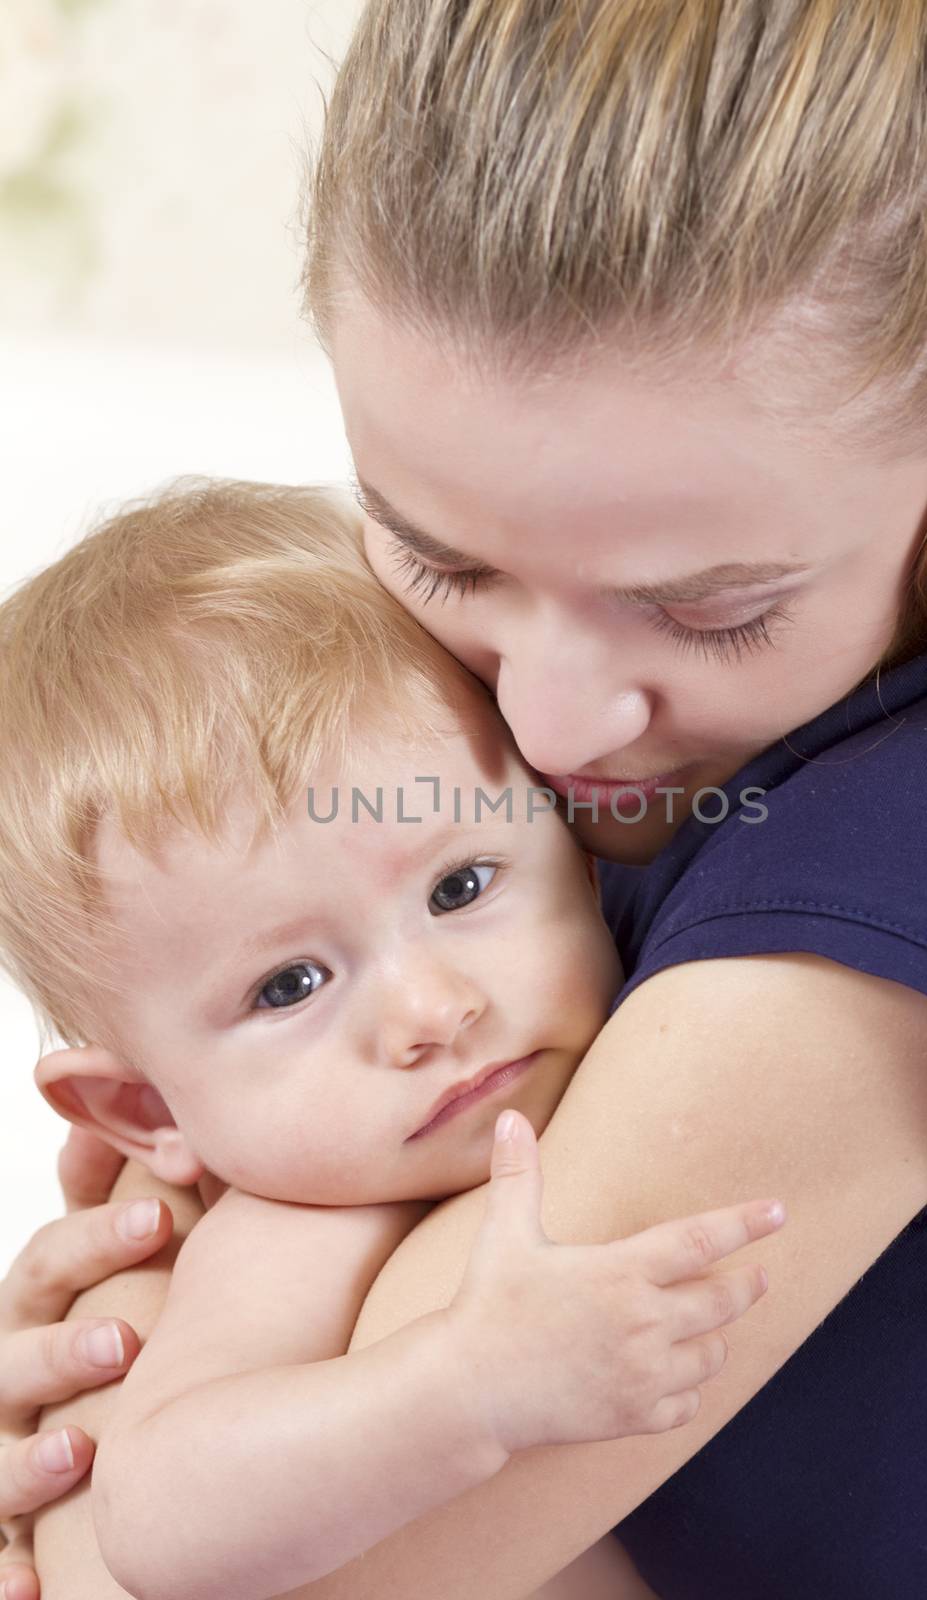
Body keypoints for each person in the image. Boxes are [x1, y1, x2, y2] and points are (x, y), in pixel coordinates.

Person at [8, 0, 927, 1595]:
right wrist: (141, 1338)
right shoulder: (493, 777)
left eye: (707, 605)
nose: (541, 723)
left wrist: (95, 1466)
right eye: (439, 554)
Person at [0, 479, 780, 1600]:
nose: (431, 1010)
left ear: (574, 825)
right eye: (290, 984)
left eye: (461, 884)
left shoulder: (688, 990)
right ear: (150, 1113)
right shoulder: (300, 1231)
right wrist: (463, 1383)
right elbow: (158, 1514)